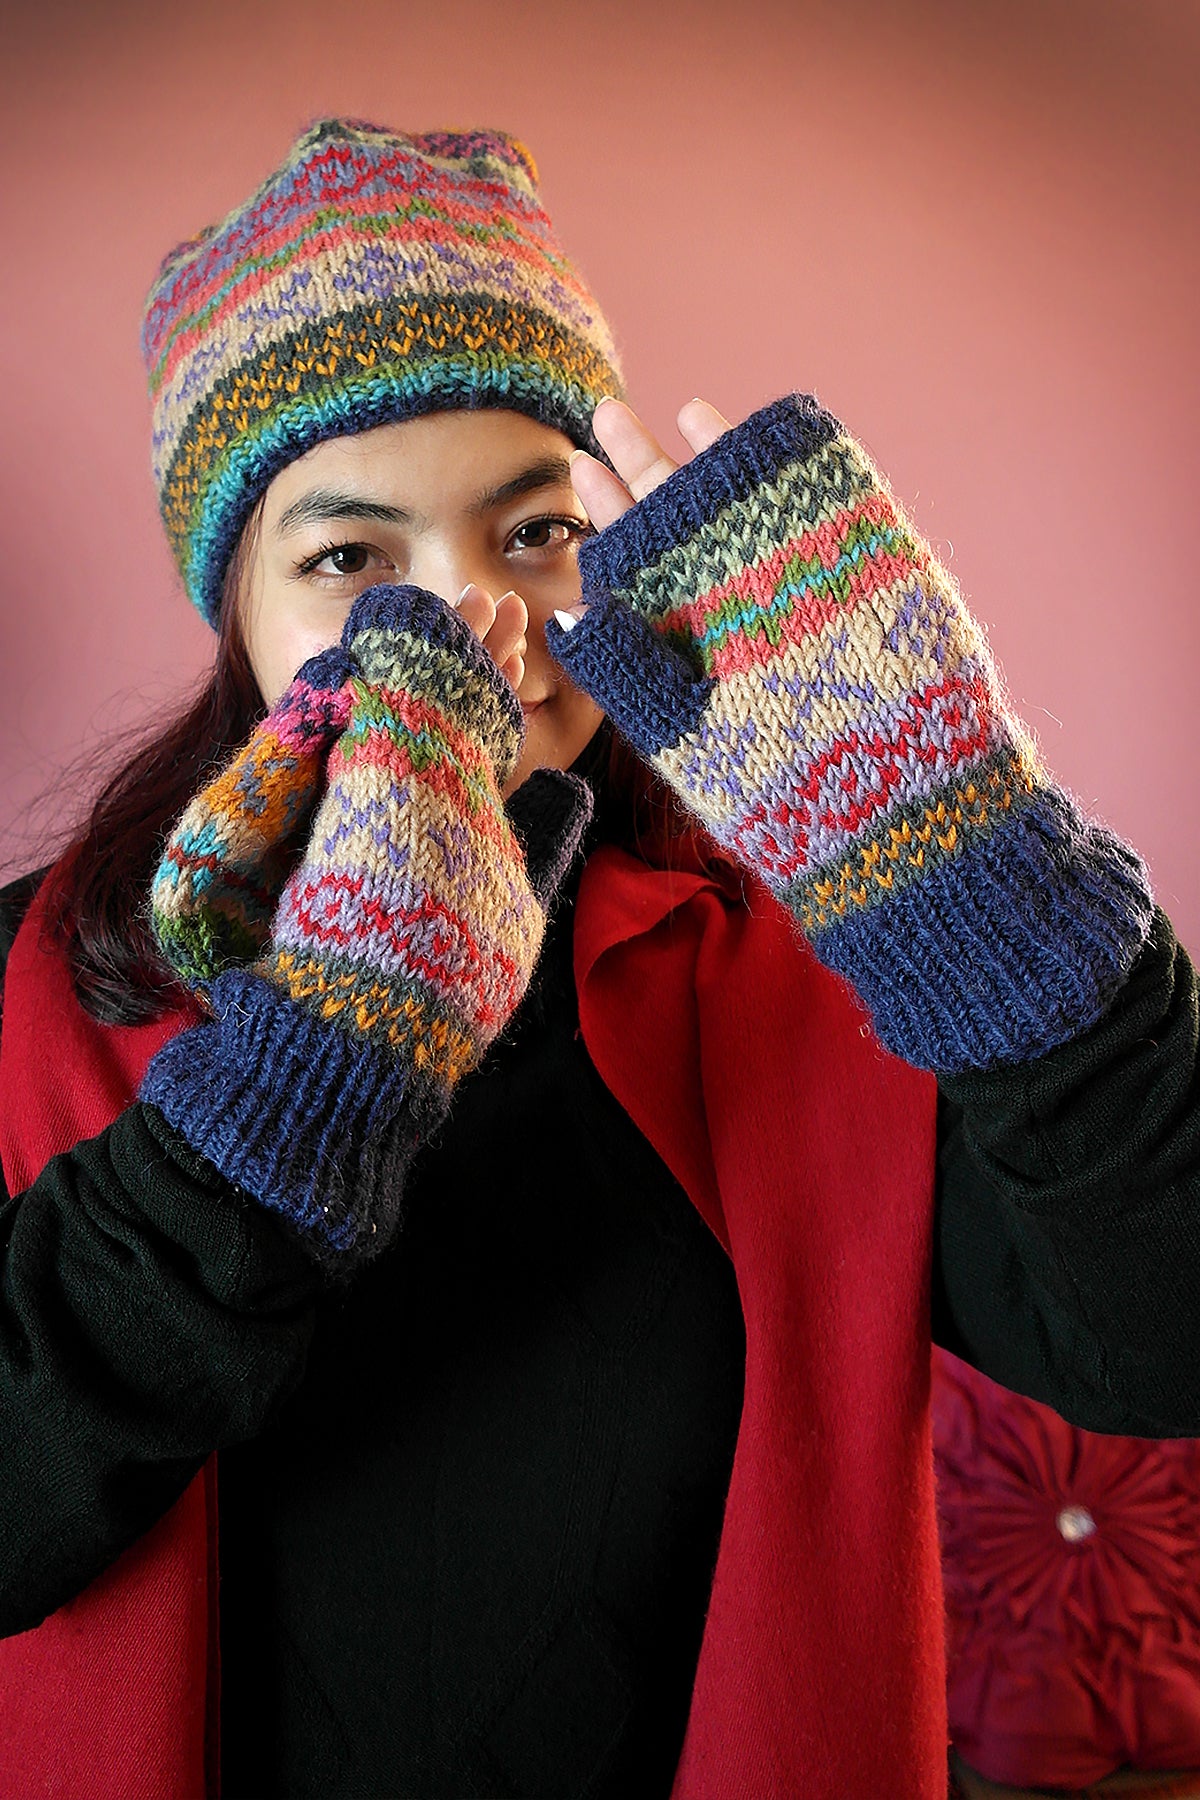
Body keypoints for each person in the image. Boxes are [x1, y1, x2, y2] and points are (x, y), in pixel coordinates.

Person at [0, 116, 1196, 1800]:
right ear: (240, 618)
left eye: (534, 533)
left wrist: (979, 889)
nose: (469, 620)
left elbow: (1162, 1338)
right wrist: (304, 1072)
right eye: (350, 560)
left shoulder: (817, 974)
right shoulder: (34, 986)